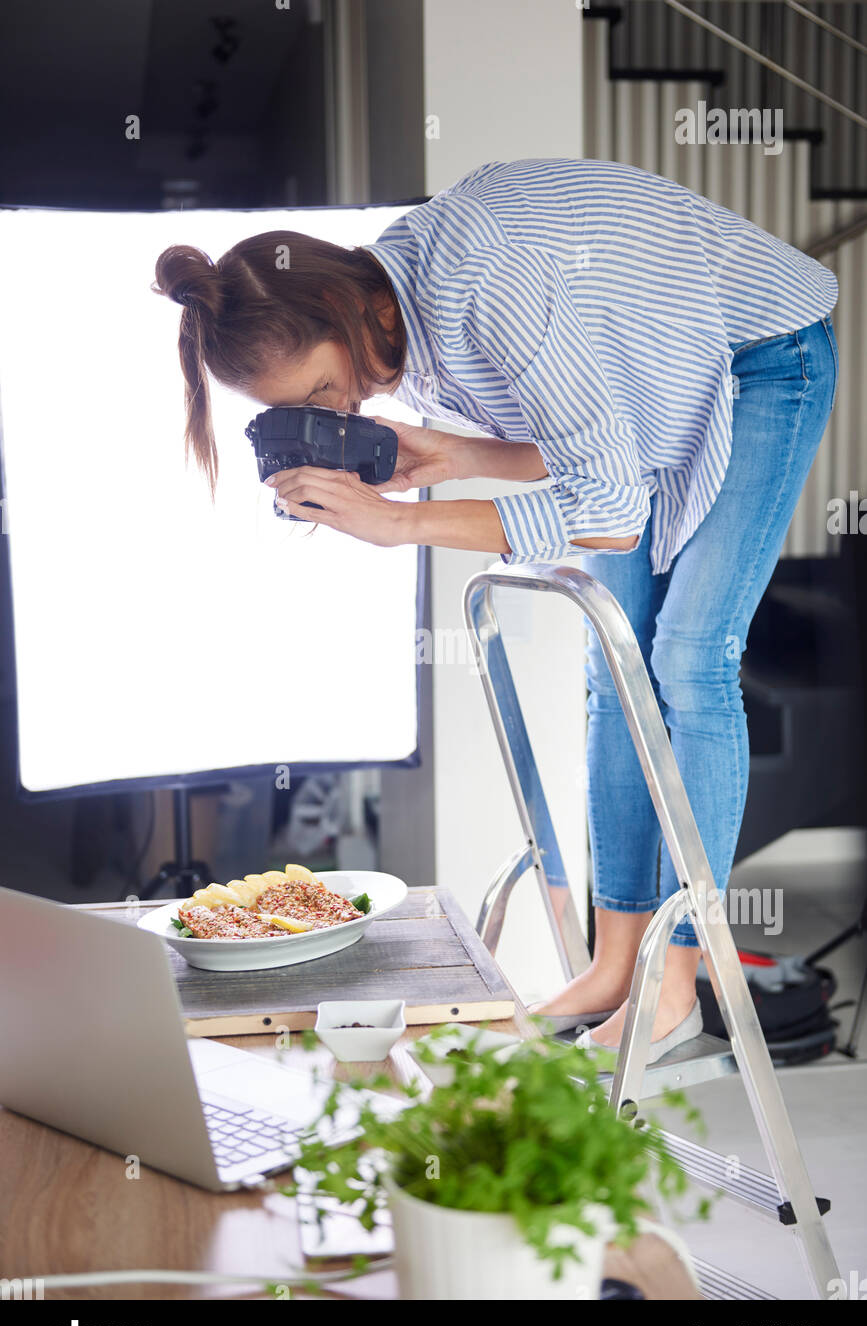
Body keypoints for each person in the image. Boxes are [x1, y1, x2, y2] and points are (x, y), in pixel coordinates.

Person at [154, 158, 838, 1061]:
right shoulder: (397, 325)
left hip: (763, 359)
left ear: (352, 309)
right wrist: (449, 455)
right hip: (663, 402)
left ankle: (675, 982)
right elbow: (585, 454)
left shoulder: (483, 281)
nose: (344, 409)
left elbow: (603, 509)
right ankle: (614, 959)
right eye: (305, 412)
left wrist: (402, 524)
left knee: (686, 659)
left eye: (326, 393)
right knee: (614, 664)